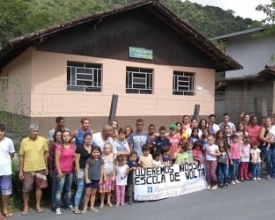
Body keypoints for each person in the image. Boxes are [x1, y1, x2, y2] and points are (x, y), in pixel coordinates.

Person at [19, 124, 48, 215]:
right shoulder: (24, 141)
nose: (35, 133)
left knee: (39, 188)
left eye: (37, 131)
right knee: (26, 189)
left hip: (40, 168)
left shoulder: (43, 140)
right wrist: (21, 170)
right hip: (28, 169)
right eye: (33, 131)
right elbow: (21, 156)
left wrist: (46, 166)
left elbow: (45, 154)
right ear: (30, 131)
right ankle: (26, 206)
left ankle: (38, 205)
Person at [54, 130, 75, 214]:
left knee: (68, 189)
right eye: (64, 136)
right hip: (61, 171)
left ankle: (69, 204)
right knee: (59, 190)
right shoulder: (59, 147)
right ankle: (57, 206)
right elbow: (56, 160)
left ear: (70, 137)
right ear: (62, 137)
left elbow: (73, 158)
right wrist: (59, 171)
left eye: (67, 135)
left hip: (70, 171)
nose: (66, 137)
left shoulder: (73, 147)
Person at [74, 133, 92, 214]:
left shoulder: (92, 147)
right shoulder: (79, 148)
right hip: (81, 170)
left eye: (90, 139)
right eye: (87, 139)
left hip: (89, 171)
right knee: (80, 189)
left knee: (86, 189)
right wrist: (78, 173)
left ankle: (83, 205)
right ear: (84, 139)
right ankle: (76, 207)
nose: (88, 140)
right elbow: (76, 161)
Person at [82, 146, 104, 213]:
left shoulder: (101, 160)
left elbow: (102, 170)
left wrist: (100, 179)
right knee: (87, 194)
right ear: (91, 152)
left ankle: (92, 206)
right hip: (89, 180)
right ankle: (85, 207)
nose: (96, 154)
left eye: (97, 152)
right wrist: (86, 178)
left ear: (100, 153)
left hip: (96, 179)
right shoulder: (89, 160)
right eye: (94, 152)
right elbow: (86, 169)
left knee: (93, 193)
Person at [0, 123, 15, 218]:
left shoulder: (9, 141)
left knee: (6, 192)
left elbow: (12, 154)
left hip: (6, 171)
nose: (0, 132)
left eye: (2, 131)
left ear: (4, 131)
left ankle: (5, 209)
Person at [48, 130, 62, 210]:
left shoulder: (65, 145)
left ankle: (60, 200)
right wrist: (56, 165)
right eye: (57, 135)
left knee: (61, 186)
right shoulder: (52, 146)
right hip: (55, 168)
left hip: (64, 168)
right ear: (55, 136)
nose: (59, 136)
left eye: (60, 135)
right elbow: (50, 158)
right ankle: (54, 201)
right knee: (55, 186)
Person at [99, 143, 115, 209]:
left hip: (111, 175)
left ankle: (108, 201)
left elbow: (114, 166)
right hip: (104, 175)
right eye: (105, 148)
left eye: (107, 148)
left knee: (109, 190)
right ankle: (102, 202)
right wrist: (104, 176)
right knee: (103, 190)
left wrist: (114, 175)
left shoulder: (113, 155)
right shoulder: (102, 156)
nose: (106, 150)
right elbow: (102, 167)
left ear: (110, 149)